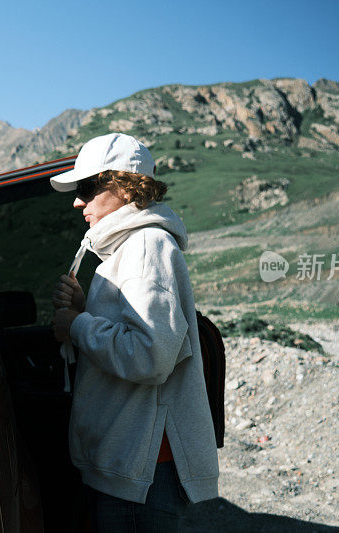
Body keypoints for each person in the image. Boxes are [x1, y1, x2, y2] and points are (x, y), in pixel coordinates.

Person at [50, 133, 219, 532]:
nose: (77, 201)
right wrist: (82, 311)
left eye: (87, 188)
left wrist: (77, 325)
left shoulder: (146, 246)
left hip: (141, 469)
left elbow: (150, 355)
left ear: (125, 186)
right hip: (131, 461)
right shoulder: (129, 248)